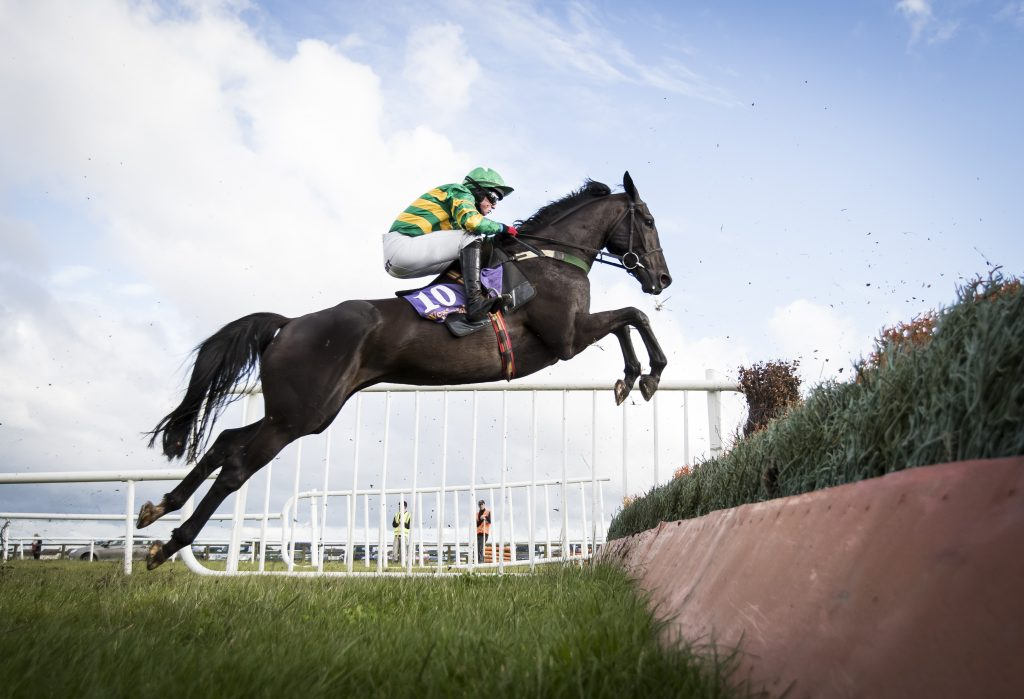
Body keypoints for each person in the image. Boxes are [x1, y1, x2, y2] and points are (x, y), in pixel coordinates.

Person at [383, 167, 519, 322]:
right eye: (494, 198)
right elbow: (473, 223)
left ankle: (447, 299)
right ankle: (475, 302)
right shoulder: (459, 191)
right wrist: (503, 228)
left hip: (404, 259)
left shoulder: (457, 214)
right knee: (471, 235)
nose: (494, 206)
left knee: (474, 254)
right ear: (478, 191)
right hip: (402, 247)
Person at [476, 499, 491, 564]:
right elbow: (477, 524)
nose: (481, 505)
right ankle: (478, 561)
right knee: (477, 548)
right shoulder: (477, 514)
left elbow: (490, 521)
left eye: (482, 504)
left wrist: (485, 517)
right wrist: (481, 519)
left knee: (480, 547)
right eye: (480, 504)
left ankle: (480, 562)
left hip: (485, 533)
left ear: (484, 504)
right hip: (478, 533)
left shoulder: (488, 512)